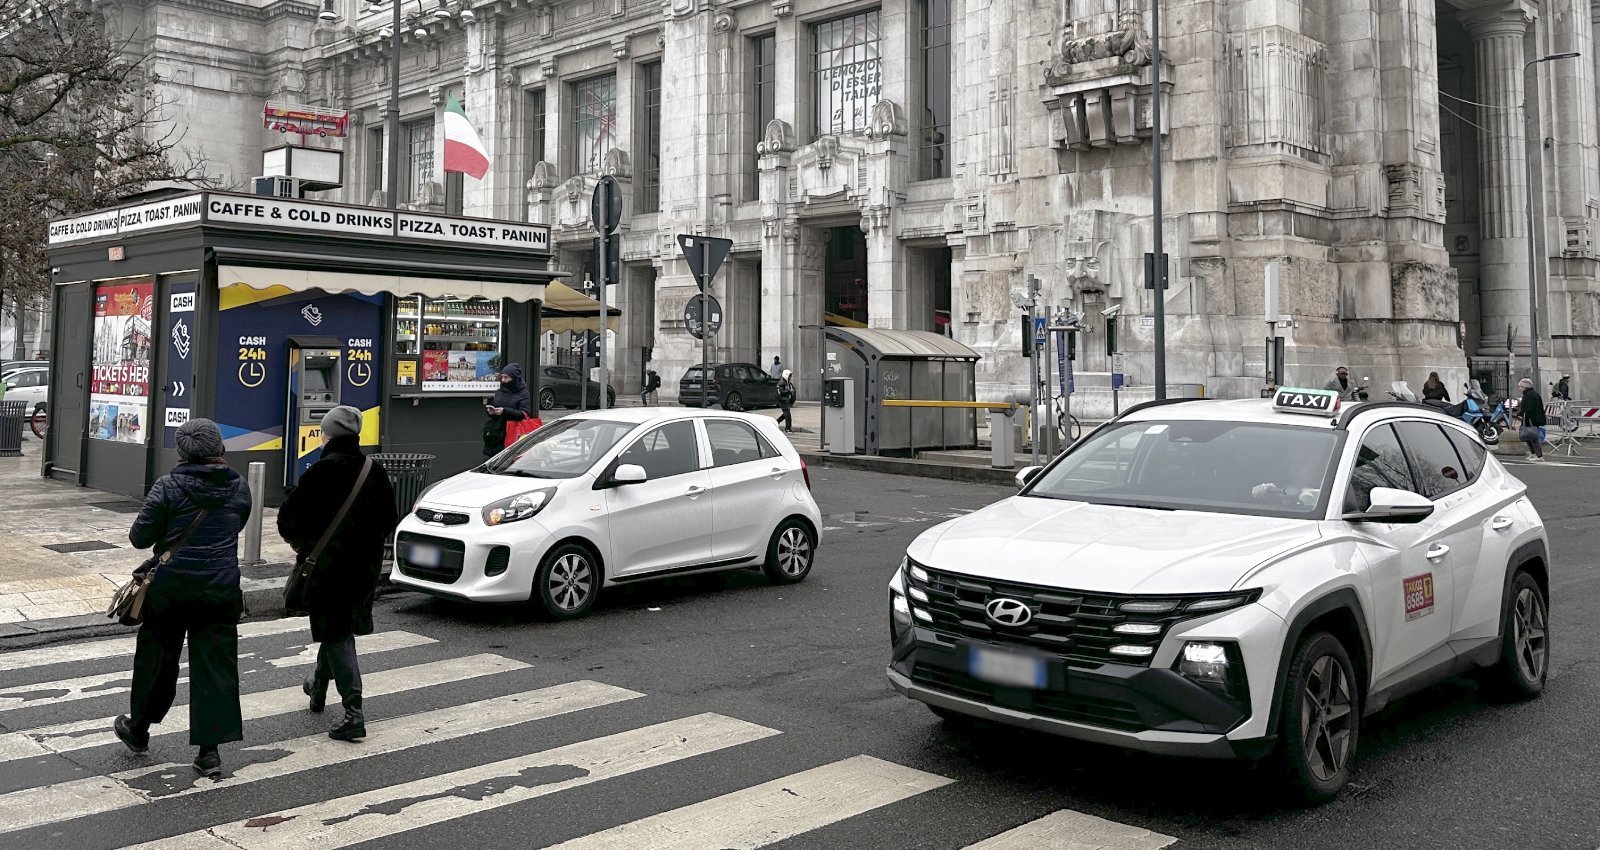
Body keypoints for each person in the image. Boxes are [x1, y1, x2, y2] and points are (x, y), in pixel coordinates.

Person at [115, 419, 252, 778]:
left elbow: (139, 538)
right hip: (220, 589)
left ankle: (139, 729)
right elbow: (237, 524)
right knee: (216, 667)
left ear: (181, 452)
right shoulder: (239, 486)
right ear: (219, 448)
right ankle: (210, 752)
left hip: (171, 590)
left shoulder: (167, 486)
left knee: (157, 660)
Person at [277, 405, 399, 742]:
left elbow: (287, 519)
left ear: (327, 434)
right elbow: (389, 519)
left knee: (336, 633)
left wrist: (304, 545)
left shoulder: (320, 472)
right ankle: (317, 687)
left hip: (327, 569)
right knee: (336, 627)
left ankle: (353, 713)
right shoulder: (374, 471)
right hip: (364, 569)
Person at [483, 363, 533, 456]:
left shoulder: (523, 393)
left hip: (513, 432)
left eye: (506, 377)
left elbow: (524, 414)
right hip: (496, 433)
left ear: (514, 378)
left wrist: (504, 411)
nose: (503, 380)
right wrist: (491, 412)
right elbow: (495, 407)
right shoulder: (500, 391)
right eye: (502, 377)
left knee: (508, 458)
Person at [1517, 377, 1546, 462]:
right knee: (1529, 437)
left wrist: (1521, 413)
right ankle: (1533, 453)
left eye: (1520, 387)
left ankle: (1539, 455)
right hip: (1532, 419)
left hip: (1532, 419)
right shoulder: (1532, 394)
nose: (1519, 389)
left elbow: (1529, 409)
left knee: (1533, 437)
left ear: (1525, 387)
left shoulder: (1529, 396)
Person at [776, 368, 796, 433]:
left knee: (785, 414)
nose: (790, 377)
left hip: (786, 400)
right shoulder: (782, 382)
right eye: (789, 376)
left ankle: (776, 422)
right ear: (786, 375)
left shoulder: (788, 382)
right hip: (782, 400)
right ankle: (788, 428)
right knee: (787, 415)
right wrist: (789, 391)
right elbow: (781, 391)